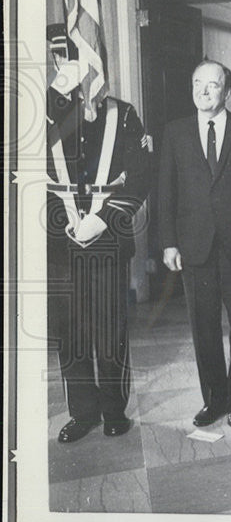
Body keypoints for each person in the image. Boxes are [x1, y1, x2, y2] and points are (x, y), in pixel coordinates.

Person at [47, 24, 152, 443]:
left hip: (106, 235)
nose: (70, 67)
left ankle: (113, 410)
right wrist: (59, 97)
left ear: (96, 62)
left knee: (109, 327)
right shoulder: (43, 113)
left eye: (78, 58)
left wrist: (103, 216)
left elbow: (140, 174)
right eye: (62, 58)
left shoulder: (122, 113)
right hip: (59, 238)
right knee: (69, 330)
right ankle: (83, 412)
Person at [159, 60, 231, 429]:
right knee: (203, 328)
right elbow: (166, 191)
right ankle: (213, 400)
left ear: (227, 91)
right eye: (197, 83)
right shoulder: (176, 132)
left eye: (212, 85)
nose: (203, 91)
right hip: (195, 247)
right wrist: (169, 242)